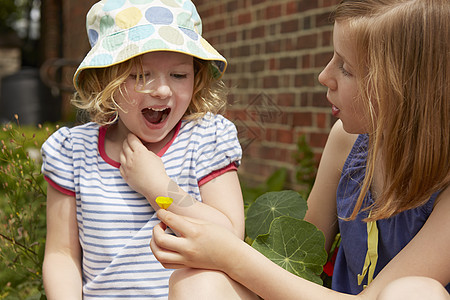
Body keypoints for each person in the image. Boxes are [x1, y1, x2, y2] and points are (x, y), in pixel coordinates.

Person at [147, 0, 450, 299]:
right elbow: (298, 256)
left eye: (345, 68)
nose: (324, 76)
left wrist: (230, 254)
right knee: (196, 282)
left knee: (415, 292)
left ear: (405, 88)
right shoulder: (346, 141)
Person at [40, 0, 257, 298]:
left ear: (197, 79)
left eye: (179, 75)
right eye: (141, 75)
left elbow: (230, 237)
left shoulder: (205, 139)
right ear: (107, 80)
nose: (163, 90)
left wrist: (159, 187)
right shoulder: (74, 152)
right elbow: (62, 254)